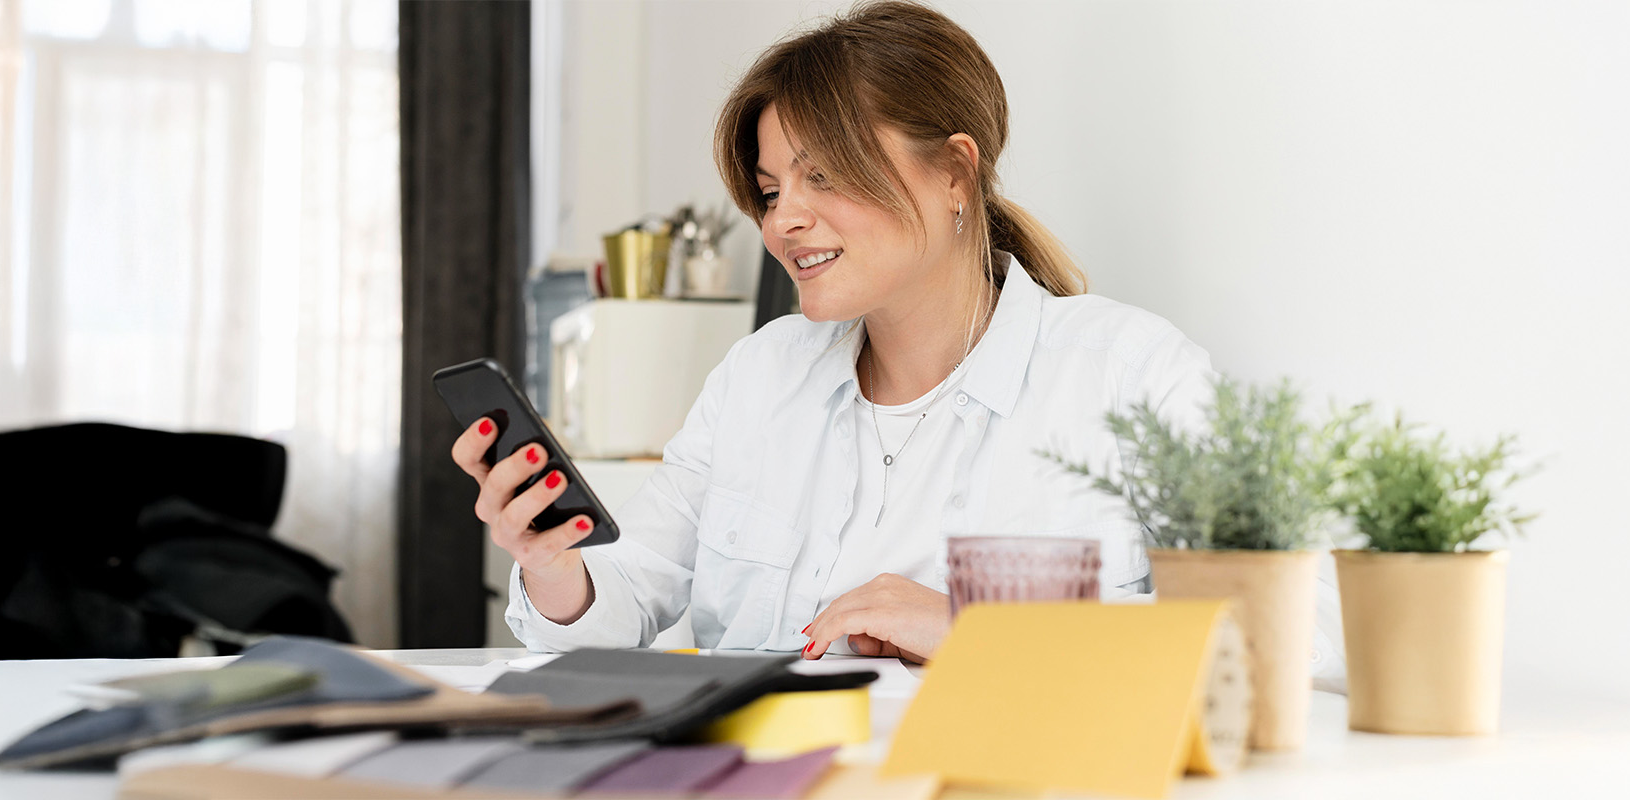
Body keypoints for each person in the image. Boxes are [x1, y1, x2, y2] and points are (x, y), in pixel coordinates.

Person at [453, 1, 1213, 662]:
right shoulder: (760, 374)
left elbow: (1286, 629)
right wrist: (551, 561)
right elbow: (628, 588)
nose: (783, 219)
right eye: (772, 189)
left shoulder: (1128, 373)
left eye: (824, 176)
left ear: (954, 174)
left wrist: (973, 630)